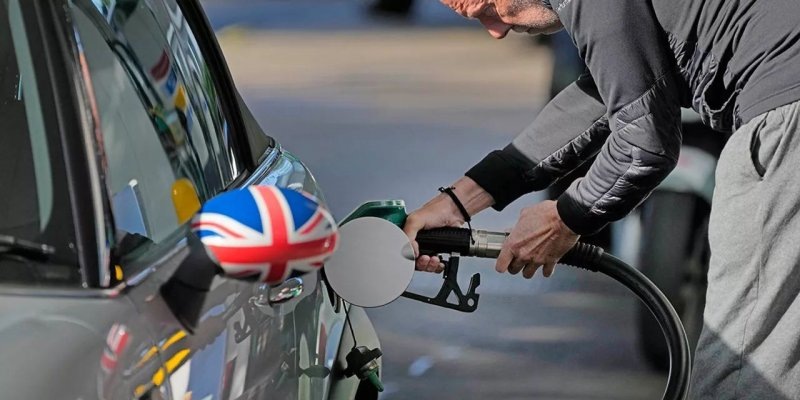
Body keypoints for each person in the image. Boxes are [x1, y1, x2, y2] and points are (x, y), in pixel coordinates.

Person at [402, 0, 800, 398]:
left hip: (785, 114)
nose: (496, 30)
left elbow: (643, 145)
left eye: (488, 8)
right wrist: (456, 202)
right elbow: (603, 99)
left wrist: (563, 220)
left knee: (741, 374)